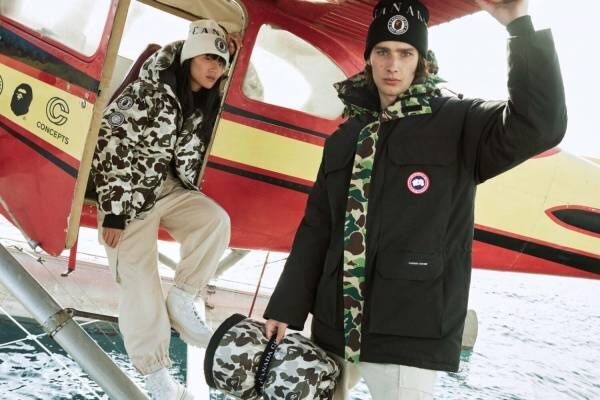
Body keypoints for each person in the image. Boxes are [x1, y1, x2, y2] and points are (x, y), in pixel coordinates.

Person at [263, 0, 567, 399]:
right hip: (332, 330)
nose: (393, 65)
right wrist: (285, 308)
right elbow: (317, 229)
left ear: (420, 60)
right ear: (369, 58)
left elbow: (540, 123)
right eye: (383, 52)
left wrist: (519, 26)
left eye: (405, 53)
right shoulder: (344, 138)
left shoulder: (460, 122)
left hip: (409, 334)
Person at [90, 19, 240, 400]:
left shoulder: (205, 97)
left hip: (169, 189)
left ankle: (182, 297)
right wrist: (115, 212)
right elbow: (110, 142)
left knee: (215, 222)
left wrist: (232, 51)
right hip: (129, 199)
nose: (214, 68)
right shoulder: (147, 91)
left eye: (220, 62)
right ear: (189, 56)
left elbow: (234, 87)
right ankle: (159, 381)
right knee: (140, 284)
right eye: (207, 58)